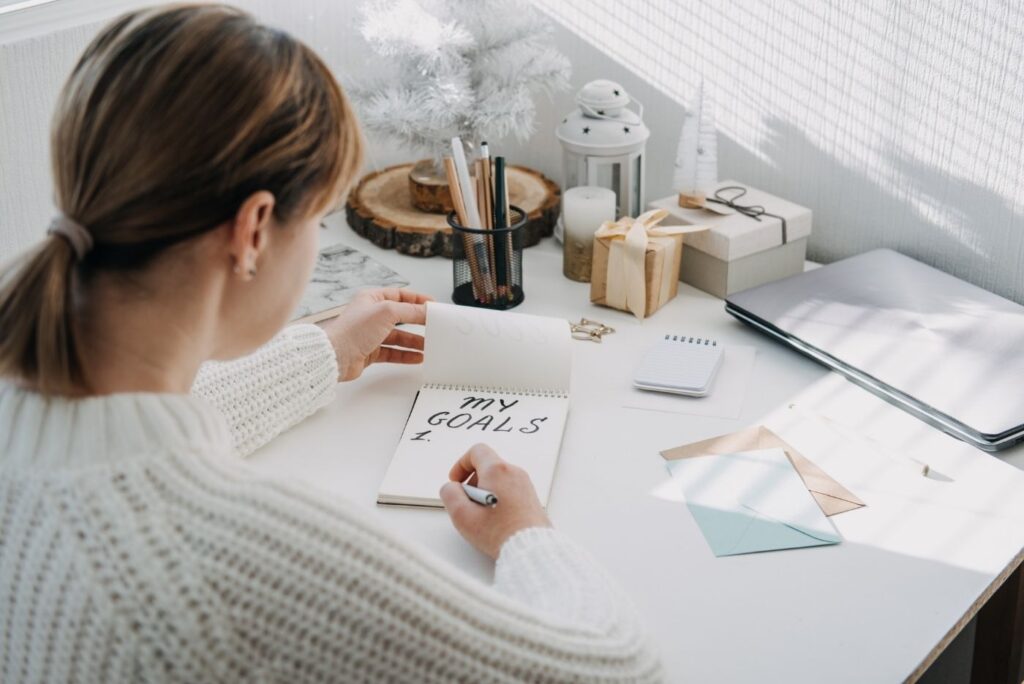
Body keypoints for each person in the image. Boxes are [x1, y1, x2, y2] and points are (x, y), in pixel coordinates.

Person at [0, 5, 661, 683]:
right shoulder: (229, 567)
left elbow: (123, 437)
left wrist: (322, 353)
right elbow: (616, 669)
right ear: (254, 231)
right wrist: (525, 532)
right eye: (318, 216)